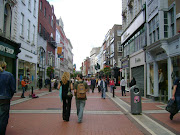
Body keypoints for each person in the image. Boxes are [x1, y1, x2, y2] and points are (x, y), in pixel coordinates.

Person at [0, 61, 16, 135]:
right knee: (3, 118)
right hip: (4, 98)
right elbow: (13, 89)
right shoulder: (9, 75)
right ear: (5, 67)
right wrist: (9, 96)